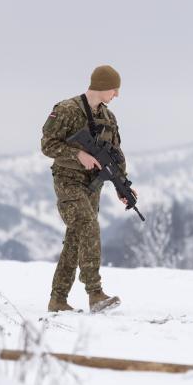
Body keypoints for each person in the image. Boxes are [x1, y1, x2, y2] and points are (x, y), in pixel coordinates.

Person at [41, 65, 135, 313]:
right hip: (68, 180)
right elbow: (47, 145)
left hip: (93, 186)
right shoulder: (67, 110)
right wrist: (78, 154)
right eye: (115, 89)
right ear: (103, 85)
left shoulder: (109, 118)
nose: (116, 95)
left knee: (76, 238)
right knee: (88, 226)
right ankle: (95, 293)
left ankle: (58, 299)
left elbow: (115, 154)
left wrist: (122, 185)